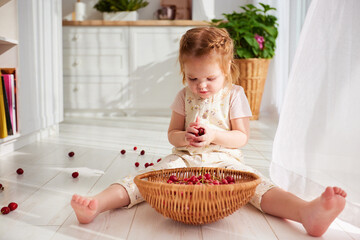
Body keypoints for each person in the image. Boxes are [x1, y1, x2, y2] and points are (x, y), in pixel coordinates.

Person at [70, 27, 346, 237]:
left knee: (259, 187)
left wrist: (214, 135)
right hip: (185, 159)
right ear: (184, 72)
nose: (201, 86)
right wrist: (185, 137)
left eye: (210, 78)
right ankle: (96, 203)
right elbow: (172, 134)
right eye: (193, 78)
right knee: (142, 179)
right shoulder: (183, 96)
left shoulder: (235, 94)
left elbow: (241, 137)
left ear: (226, 70)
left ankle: (305, 212)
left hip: (225, 161)